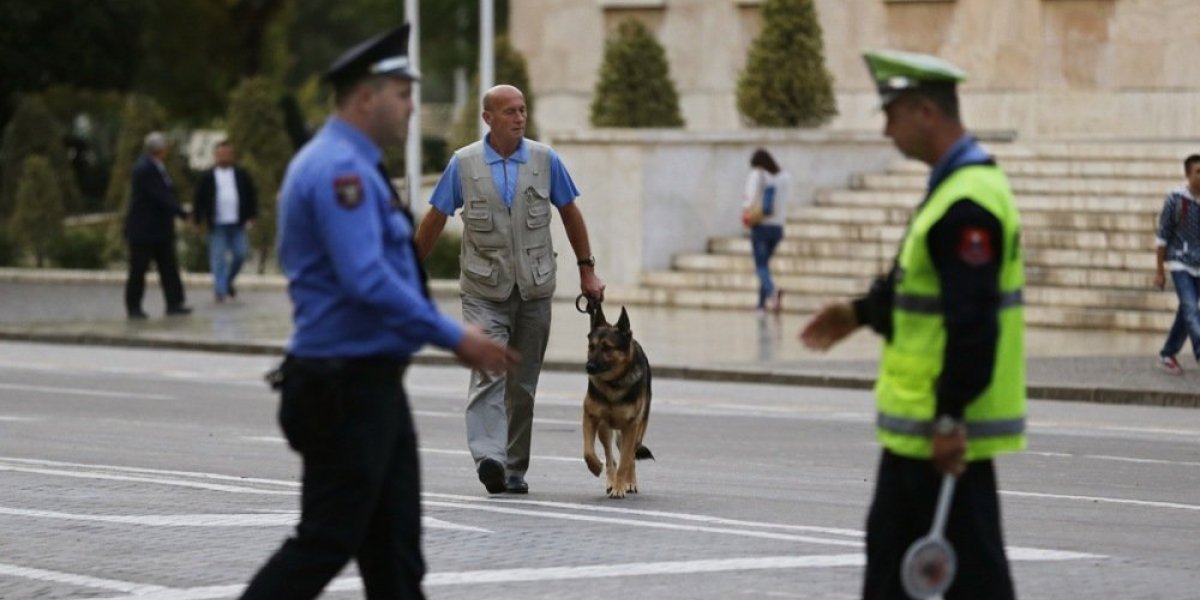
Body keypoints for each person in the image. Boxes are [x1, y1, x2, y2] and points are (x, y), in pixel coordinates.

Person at [239, 25, 517, 600]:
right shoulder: (338, 171)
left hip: (370, 387)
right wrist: (454, 336)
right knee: (325, 541)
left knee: (395, 561)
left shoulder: (353, 164)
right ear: (367, 97)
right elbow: (367, 280)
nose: (413, 108)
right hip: (342, 387)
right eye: (403, 94)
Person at [800, 49, 1025, 600]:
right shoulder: (952, 188)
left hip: (939, 435)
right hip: (920, 433)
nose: (886, 130)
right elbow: (916, 284)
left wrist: (950, 417)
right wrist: (859, 312)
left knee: (954, 580)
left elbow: (971, 322)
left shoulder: (968, 201)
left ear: (925, 111)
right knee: (913, 573)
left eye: (891, 114)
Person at [414, 84, 605, 495]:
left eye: (522, 111)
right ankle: (490, 458)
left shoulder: (545, 159)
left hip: (535, 289)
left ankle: (514, 467)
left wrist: (587, 271)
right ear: (488, 118)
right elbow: (435, 219)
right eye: (510, 112)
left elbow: (570, 212)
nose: (519, 118)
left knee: (522, 382)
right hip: (483, 290)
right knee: (488, 372)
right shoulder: (463, 164)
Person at [123, 131, 191, 319]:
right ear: (160, 149)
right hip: (143, 229)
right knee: (138, 269)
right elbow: (160, 196)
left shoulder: (158, 167)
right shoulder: (145, 169)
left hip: (160, 228)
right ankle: (134, 306)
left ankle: (174, 302)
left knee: (169, 267)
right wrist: (182, 213)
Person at [193, 140, 258, 303]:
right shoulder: (207, 176)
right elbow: (198, 199)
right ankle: (221, 291)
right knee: (218, 258)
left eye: (228, 153)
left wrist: (252, 215)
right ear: (216, 155)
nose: (224, 157)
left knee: (240, 254)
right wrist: (198, 221)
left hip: (237, 222)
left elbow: (251, 195)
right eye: (221, 153)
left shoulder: (241, 174)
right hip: (217, 223)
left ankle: (227, 282)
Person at [1153, 154, 1200, 375]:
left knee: (1186, 311)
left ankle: (1168, 352)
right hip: (1180, 262)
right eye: (1198, 172)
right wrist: (1159, 271)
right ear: (1188, 174)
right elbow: (1163, 236)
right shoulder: (1175, 199)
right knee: (1191, 308)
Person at [741, 148, 790, 316]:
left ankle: (772, 292)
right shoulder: (784, 177)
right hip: (778, 228)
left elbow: (750, 198)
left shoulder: (758, 175)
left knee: (761, 266)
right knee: (765, 268)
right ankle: (761, 306)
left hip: (761, 226)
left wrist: (746, 212)